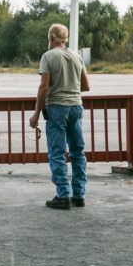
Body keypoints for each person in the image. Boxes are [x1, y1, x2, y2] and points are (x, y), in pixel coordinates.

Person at [29, 23, 90, 209]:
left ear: (51, 38)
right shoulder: (77, 56)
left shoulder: (48, 56)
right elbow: (86, 86)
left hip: (57, 107)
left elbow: (44, 87)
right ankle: (79, 195)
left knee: (57, 152)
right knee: (77, 152)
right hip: (76, 106)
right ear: (65, 39)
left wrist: (36, 113)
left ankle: (63, 195)